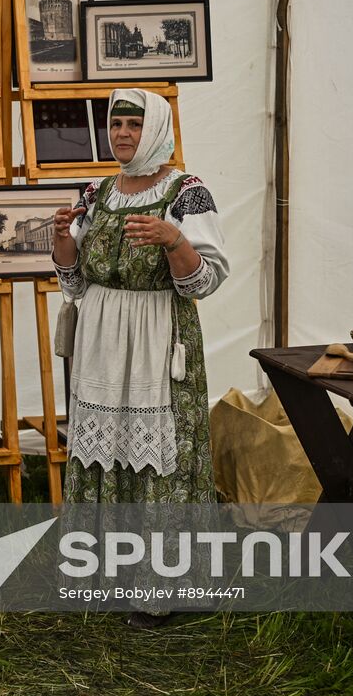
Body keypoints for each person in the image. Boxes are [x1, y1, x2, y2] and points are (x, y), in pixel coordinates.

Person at [51, 88, 228, 623]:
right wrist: (61, 238)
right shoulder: (97, 191)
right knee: (102, 452)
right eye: (115, 123)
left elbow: (205, 279)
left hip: (158, 338)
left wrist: (174, 240)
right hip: (102, 340)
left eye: (132, 124)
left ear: (154, 129)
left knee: (160, 460)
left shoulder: (187, 192)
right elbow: (74, 276)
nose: (122, 133)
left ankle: (162, 589)